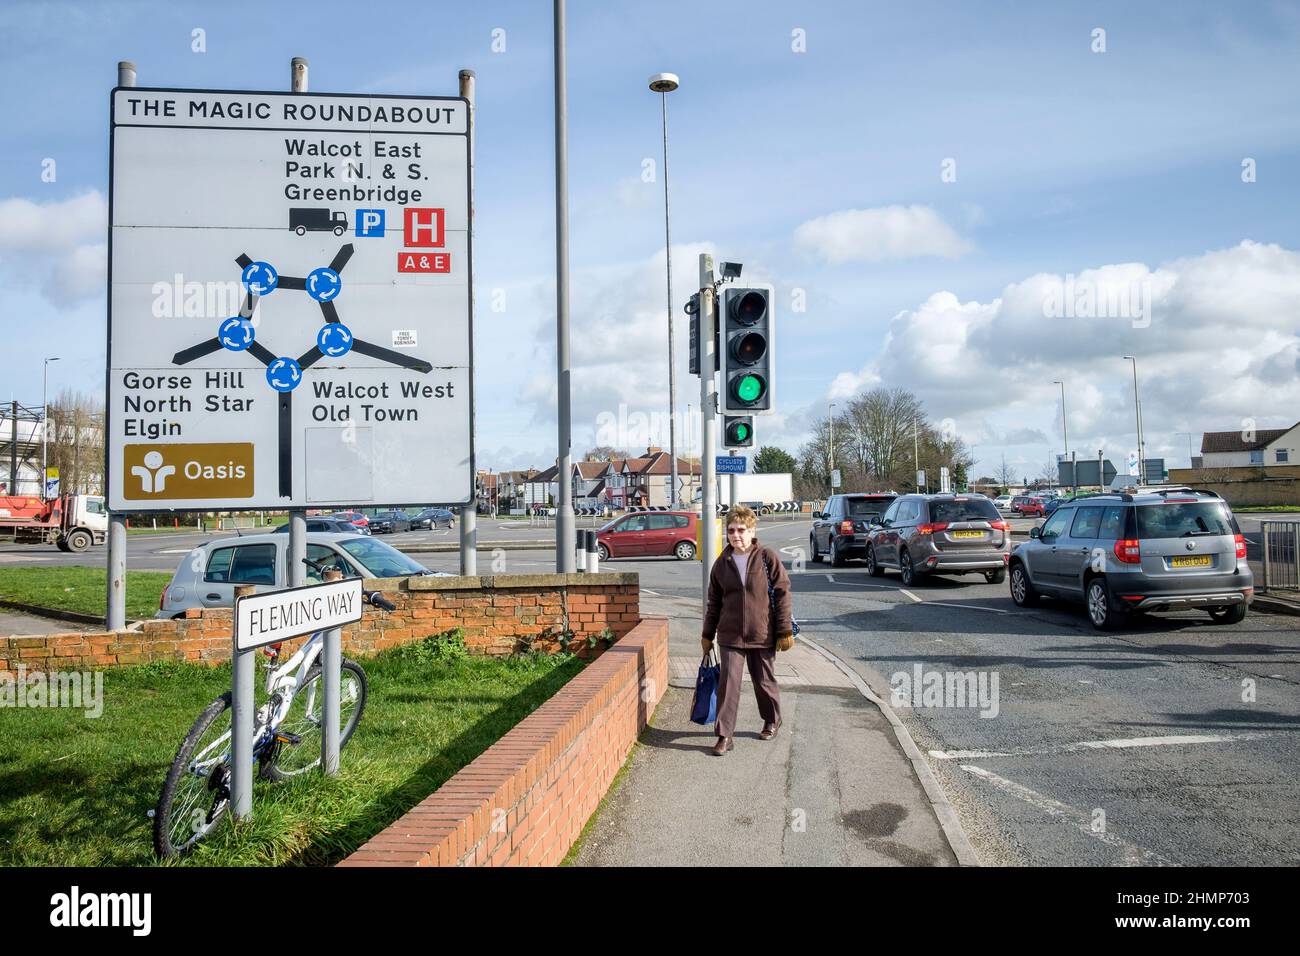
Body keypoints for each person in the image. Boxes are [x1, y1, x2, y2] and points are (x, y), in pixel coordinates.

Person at [701, 504, 794, 756]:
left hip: (761, 633)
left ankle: (772, 719)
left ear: (752, 531)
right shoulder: (721, 564)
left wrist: (784, 630)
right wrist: (707, 634)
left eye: (741, 530)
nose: (736, 535)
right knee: (728, 685)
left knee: (763, 681)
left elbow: (782, 593)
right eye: (731, 530)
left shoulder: (767, 557)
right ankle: (724, 735)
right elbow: (714, 603)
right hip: (730, 635)